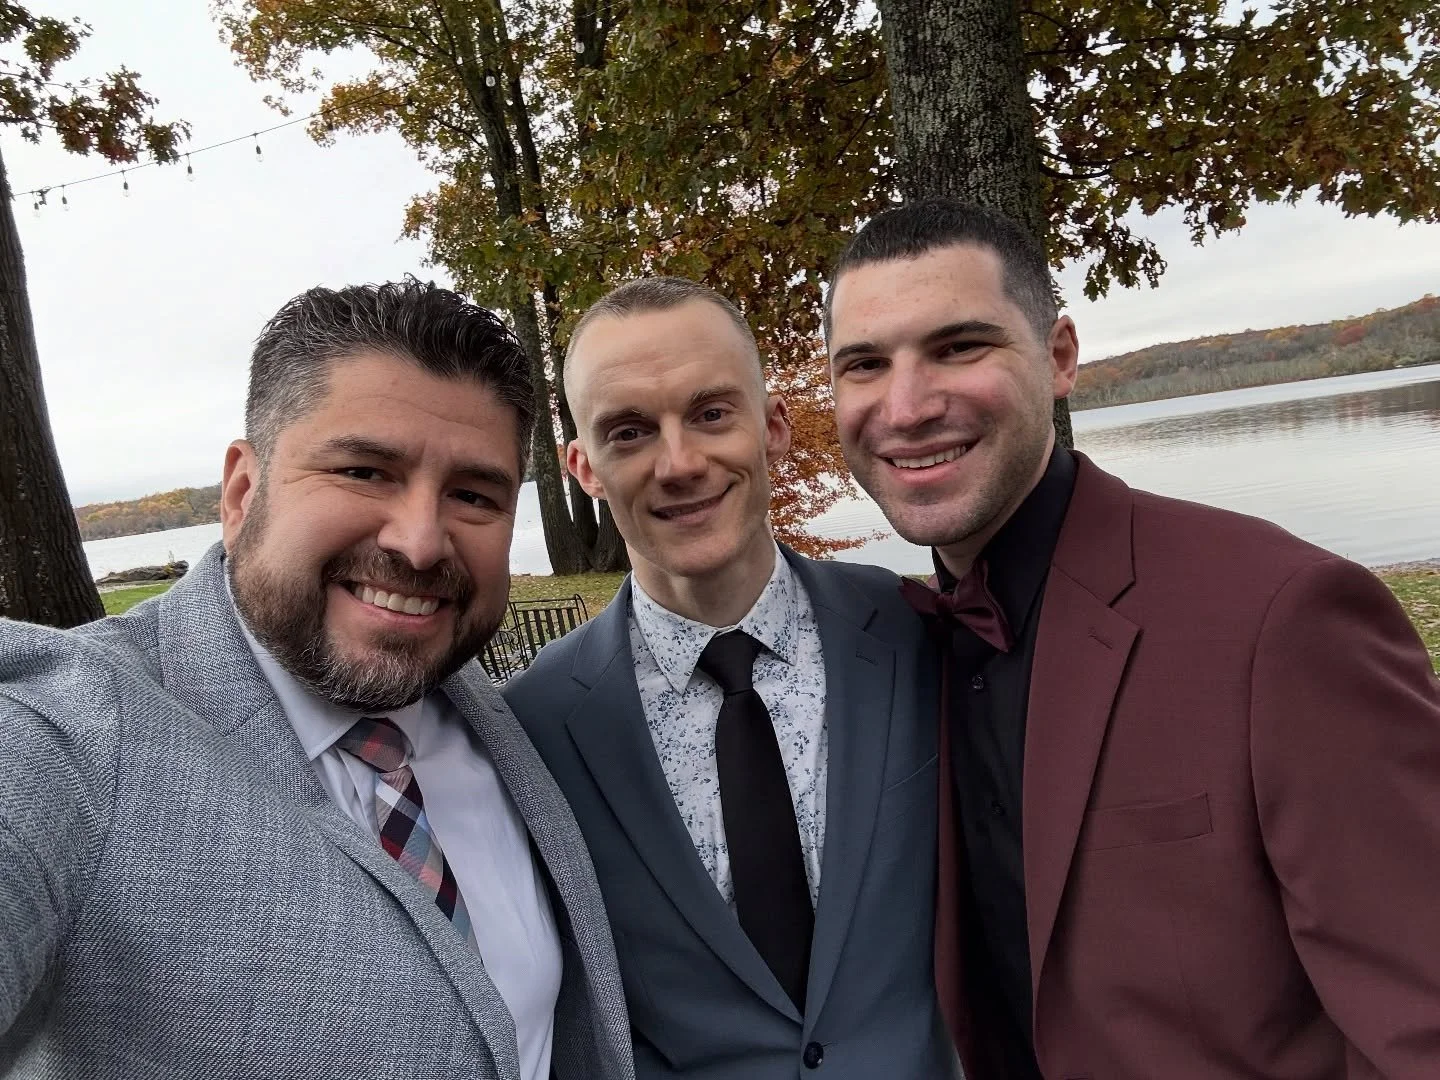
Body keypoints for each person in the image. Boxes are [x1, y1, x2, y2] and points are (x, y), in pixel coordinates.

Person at [824, 197, 1440, 1080]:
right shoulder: (893, 648)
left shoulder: (1283, 617)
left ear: (1060, 357)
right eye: (866, 365)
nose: (909, 404)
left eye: (960, 346)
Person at [0, 280, 632, 1080]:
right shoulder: (75, 733)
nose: (419, 542)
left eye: (474, 495)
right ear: (240, 492)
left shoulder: (502, 723)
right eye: (365, 471)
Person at [502, 277, 952, 1078]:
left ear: (773, 426)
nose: (679, 463)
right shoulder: (534, 729)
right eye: (630, 432)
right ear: (584, 467)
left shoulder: (918, 635)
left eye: (712, 413)